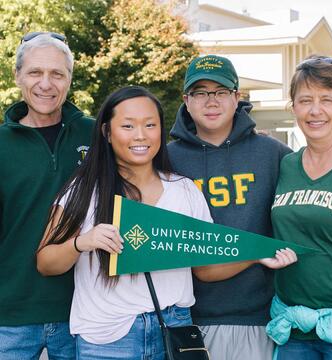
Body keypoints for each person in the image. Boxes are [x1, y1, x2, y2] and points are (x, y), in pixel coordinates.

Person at [36, 86, 213, 360]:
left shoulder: (185, 190)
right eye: (128, 125)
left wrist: (260, 255)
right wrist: (82, 242)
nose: (140, 135)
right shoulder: (83, 189)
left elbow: (206, 265)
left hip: (174, 327)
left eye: (150, 125)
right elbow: (46, 263)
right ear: (107, 132)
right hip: (108, 337)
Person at [167, 54, 296, 360]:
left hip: (259, 320)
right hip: (187, 320)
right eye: (200, 92)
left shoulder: (273, 153)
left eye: (221, 91)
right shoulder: (166, 159)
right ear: (186, 100)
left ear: (237, 97)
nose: (211, 101)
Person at [0, 32, 94, 359]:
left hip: (82, 312)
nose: (46, 83)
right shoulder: (1, 144)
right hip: (9, 318)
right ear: (17, 76)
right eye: (35, 72)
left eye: (57, 73)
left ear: (69, 79)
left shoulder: (96, 135)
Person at [267, 55, 332, 360]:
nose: (315, 110)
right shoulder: (286, 165)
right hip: (293, 330)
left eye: (327, 100)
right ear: (293, 107)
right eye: (305, 100)